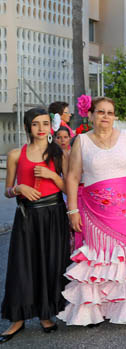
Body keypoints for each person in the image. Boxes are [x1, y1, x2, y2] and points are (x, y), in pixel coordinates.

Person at [59, 97, 126, 325]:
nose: (105, 116)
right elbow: (73, 177)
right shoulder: (82, 141)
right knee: (99, 259)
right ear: (91, 115)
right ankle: (96, 309)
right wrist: (72, 210)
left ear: (114, 116)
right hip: (94, 211)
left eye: (110, 112)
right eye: (100, 112)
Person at [1, 108, 68, 342]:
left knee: (50, 264)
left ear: (51, 126)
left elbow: (69, 187)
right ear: (27, 127)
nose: (41, 129)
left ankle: (46, 313)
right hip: (28, 216)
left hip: (54, 214)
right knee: (22, 266)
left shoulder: (58, 153)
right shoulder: (15, 155)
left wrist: (52, 177)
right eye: (35, 124)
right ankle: (17, 319)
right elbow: (7, 190)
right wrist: (18, 189)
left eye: (45, 124)